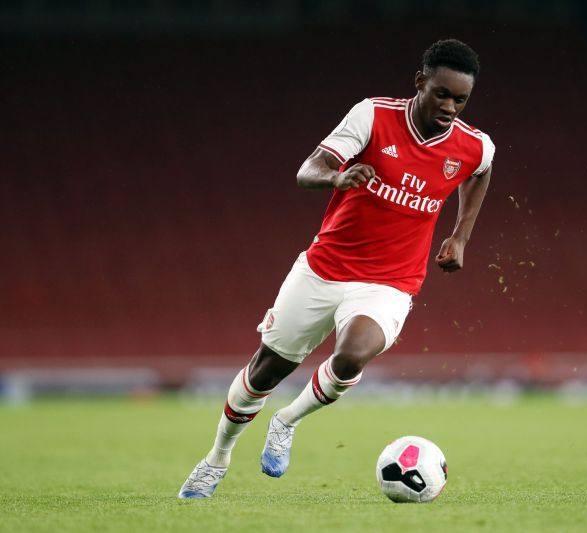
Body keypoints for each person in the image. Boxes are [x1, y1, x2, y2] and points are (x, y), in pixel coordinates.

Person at [178, 38, 495, 499]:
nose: (450, 106)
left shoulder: (472, 146)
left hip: (390, 282)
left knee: (352, 353)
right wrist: (337, 176)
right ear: (420, 82)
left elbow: (481, 170)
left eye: (460, 99)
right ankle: (217, 458)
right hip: (324, 268)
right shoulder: (373, 115)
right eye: (441, 93)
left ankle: (287, 421)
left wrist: (460, 236)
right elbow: (310, 168)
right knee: (266, 370)